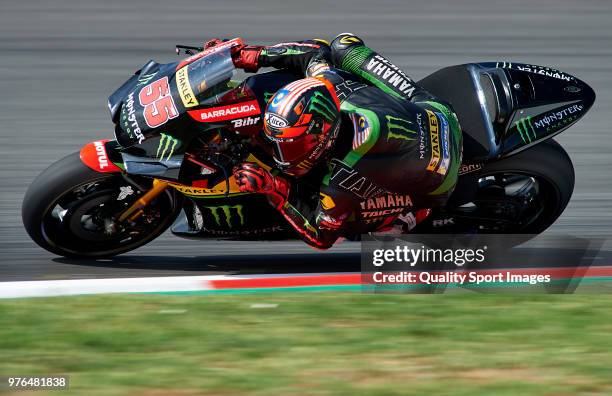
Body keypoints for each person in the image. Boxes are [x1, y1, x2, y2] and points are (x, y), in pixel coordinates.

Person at [217, 34, 462, 249]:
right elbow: (315, 51)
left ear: (322, 136)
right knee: (343, 45)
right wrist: (257, 55)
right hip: (434, 111)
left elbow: (321, 237)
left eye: (292, 145)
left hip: (440, 178)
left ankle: (413, 214)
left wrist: (272, 187)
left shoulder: (341, 179)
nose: (281, 153)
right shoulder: (331, 82)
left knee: (363, 225)